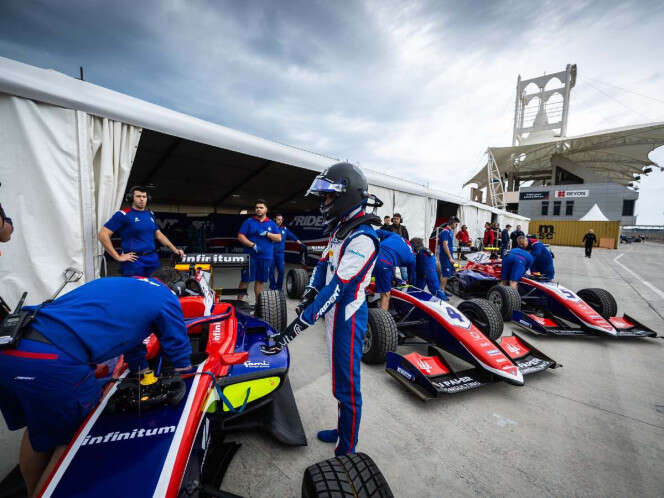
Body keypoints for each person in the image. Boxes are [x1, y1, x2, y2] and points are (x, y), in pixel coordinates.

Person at [0, 269, 193, 496]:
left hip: (11, 345)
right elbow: (178, 348)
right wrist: (186, 382)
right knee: (73, 438)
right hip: (50, 361)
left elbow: (131, 340)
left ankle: (32, 491)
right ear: (176, 289)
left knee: (37, 428)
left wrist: (141, 372)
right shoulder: (165, 296)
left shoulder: (118, 284)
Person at [263, 162, 380, 456]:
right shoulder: (342, 229)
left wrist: (293, 329)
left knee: (347, 384)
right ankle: (342, 430)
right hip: (333, 313)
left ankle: (347, 448)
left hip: (348, 316)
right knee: (338, 378)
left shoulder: (364, 237)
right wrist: (309, 293)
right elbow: (324, 266)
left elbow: (338, 288)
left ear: (346, 195)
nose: (324, 202)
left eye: (328, 197)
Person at [98, 186, 184, 277]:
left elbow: (158, 234)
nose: (142, 199)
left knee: (153, 288)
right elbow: (103, 234)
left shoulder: (150, 214)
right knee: (135, 290)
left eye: (144, 197)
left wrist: (175, 250)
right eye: (138, 196)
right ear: (131, 198)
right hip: (134, 262)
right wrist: (117, 256)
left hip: (152, 259)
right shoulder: (123, 214)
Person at [237, 199, 281, 301]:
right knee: (245, 280)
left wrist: (267, 233)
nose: (258, 209)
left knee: (260, 281)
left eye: (261, 207)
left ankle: (259, 306)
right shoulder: (249, 222)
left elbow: (279, 238)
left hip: (265, 257)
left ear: (266, 209)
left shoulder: (271, 224)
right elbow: (240, 236)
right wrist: (252, 245)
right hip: (249, 256)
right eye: (257, 207)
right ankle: (238, 304)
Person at [373, 229, 416, 310]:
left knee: (361, 285)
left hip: (371, 254)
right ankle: (383, 320)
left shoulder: (396, 236)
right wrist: (412, 287)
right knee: (385, 294)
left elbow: (378, 232)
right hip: (384, 263)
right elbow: (412, 277)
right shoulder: (412, 257)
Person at [270, 214, 305, 291]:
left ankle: (279, 288)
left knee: (281, 271)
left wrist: (300, 243)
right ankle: (272, 287)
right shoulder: (270, 229)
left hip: (280, 254)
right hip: (271, 254)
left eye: (281, 219)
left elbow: (293, 236)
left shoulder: (284, 229)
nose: (279, 221)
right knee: (271, 271)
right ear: (275, 219)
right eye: (278, 219)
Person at [438, 217, 459, 300]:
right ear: (452, 223)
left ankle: (443, 290)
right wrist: (450, 257)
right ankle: (441, 292)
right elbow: (445, 245)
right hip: (445, 256)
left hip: (448, 255)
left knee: (447, 274)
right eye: (456, 224)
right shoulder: (445, 232)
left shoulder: (449, 231)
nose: (456, 226)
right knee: (445, 274)